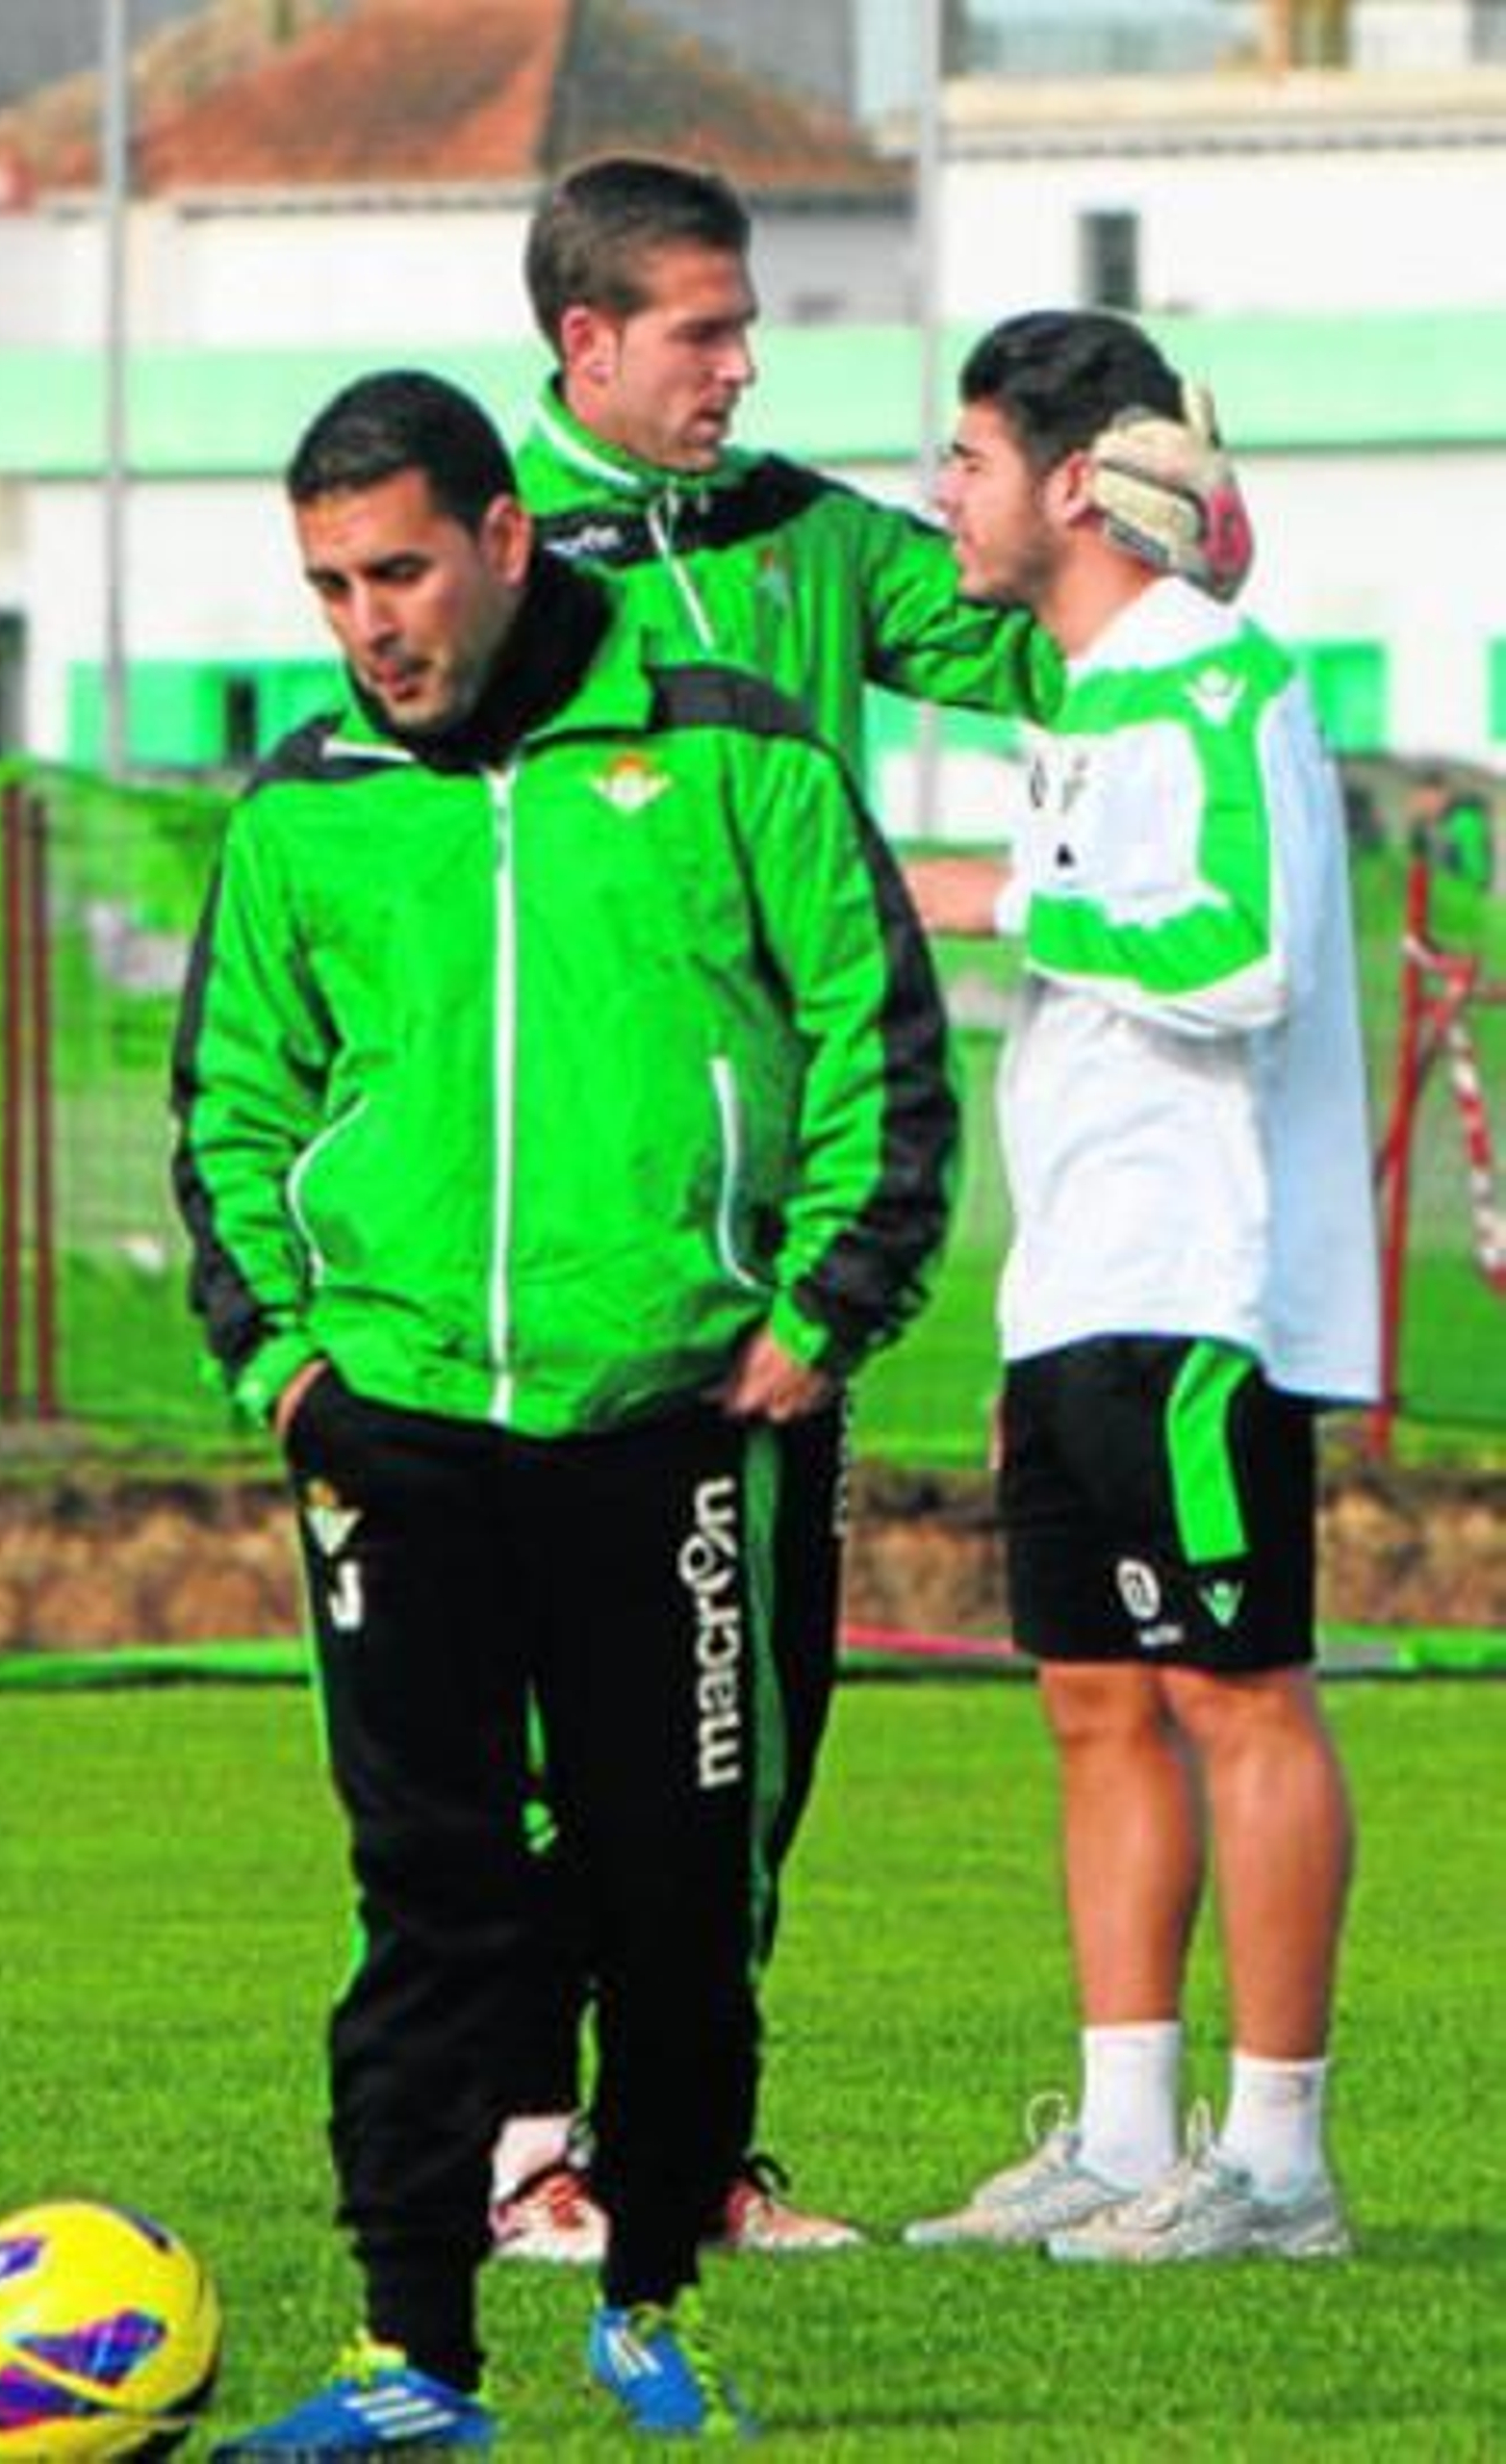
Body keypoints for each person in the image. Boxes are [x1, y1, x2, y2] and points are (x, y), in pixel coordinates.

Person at [170, 368, 956, 2445]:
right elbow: (229, 1112)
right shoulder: (304, 801)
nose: (368, 622)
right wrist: (291, 1371)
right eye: (332, 583)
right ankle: (413, 2346)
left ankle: (643, 2290)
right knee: (426, 1895)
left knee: (673, 1898)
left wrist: (823, 1310)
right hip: (399, 1427)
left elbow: (881, 1030)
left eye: (401, 569)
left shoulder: (730, 754)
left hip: (672, 1423)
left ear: (505, 539)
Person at [491, 146, 1060, 2265]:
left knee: (748, 1717)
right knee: (554, 1730)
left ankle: (687, 2146)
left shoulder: (817, 541)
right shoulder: (498, 566)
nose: (742, 367)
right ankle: (529, 2141)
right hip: (557, 1260)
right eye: (704, 333)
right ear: (588, 341)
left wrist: (1130, 517)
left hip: (789, 1254)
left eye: (747, 329)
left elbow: (1041, 642)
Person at [901, 310, 1380, 2264]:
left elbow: (1238, 951)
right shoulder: (1081, 700)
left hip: (1204, 1292)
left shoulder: (1216, 681)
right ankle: (1118, 2134)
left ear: (1069, 479)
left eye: (966, 458)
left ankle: (1273, 2163)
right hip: (1080, 1287)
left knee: (1234, 1688)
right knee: (1092, 1697)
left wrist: (987, 896)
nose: (943, 493)